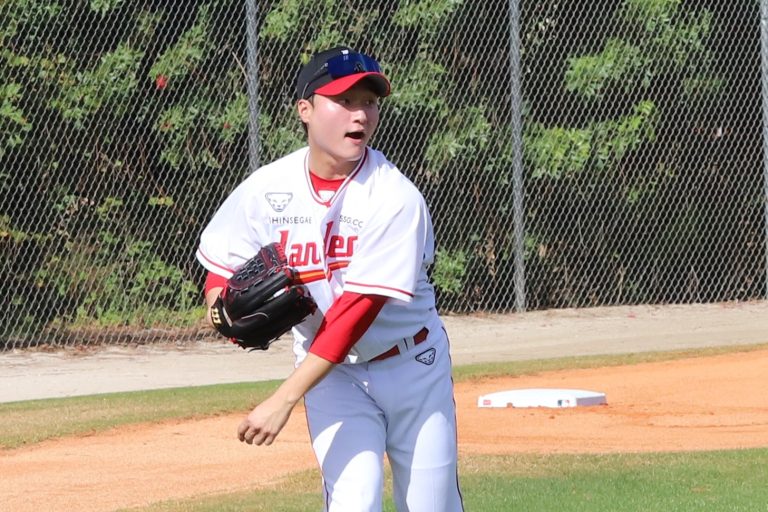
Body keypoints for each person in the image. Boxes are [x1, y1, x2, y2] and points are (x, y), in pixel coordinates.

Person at [195, 46, 464, 512]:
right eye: (344, 100)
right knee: (352, 502)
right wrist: (220, 306)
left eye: (369, 101)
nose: (360, 114)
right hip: (334, 377)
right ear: (305, 109)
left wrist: (283, 399)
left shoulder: (394, 198)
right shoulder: (267, 188)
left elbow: (353, 317)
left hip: (412, 367)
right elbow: (222, 261)